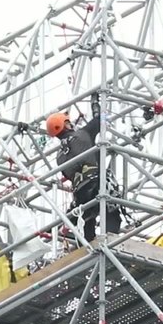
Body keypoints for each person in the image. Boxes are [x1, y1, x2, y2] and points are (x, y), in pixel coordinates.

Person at [46, 96, 120, 242]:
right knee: (111, 212)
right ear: (64, 126)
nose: (71, 124)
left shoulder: (59, 156)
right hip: (96, 184)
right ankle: (112, 242)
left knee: (86, 218)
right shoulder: (82, 135)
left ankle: (87, 245)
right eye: (68, 122)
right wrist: (96, 106)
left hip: (80, 193)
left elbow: (67, 174)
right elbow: (101, 120)